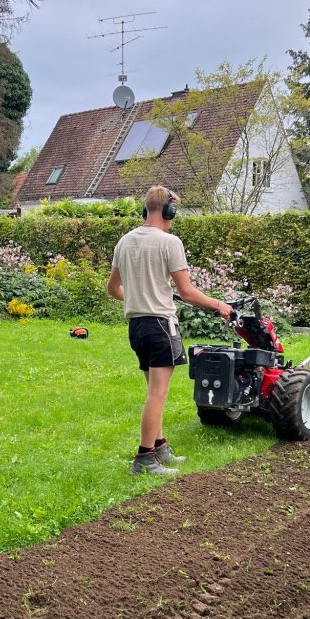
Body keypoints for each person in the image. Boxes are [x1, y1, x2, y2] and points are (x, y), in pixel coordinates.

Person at [107, 185, 233, 475]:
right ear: (169, 211)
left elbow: (112, 288)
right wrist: (219, 305)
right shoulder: (170, 242)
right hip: (160, 327)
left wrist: (139, 297)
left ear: (146, 209)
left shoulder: (124, 241)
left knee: (154, 390)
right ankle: (144, 459)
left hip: (137, 327)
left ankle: (159, 447)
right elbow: (187, 293)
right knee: (158, 394)